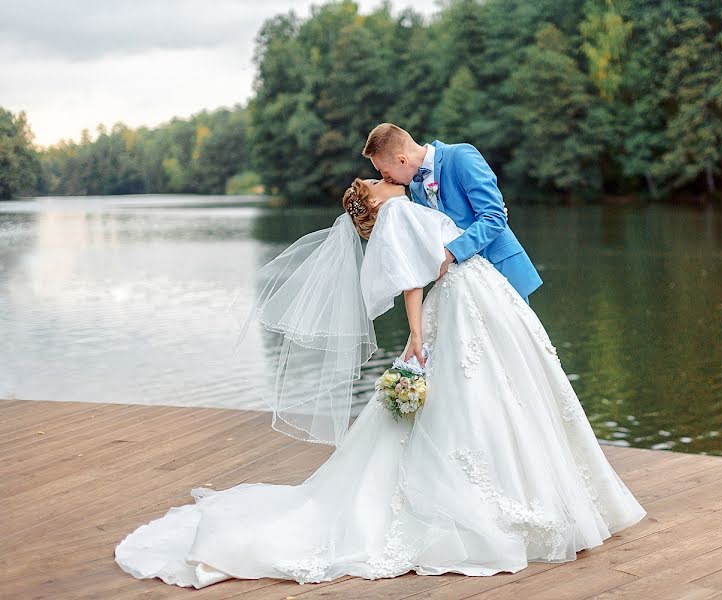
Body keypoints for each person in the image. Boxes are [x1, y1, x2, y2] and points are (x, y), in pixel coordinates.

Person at [113, 178, 646, 589]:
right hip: (455, 307)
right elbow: (412, 277)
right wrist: (417, 334)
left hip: (477, 299)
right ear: (370, 198)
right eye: (371, 180)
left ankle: (526, 490)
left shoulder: (407, 206)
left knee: (493, 396)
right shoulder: (394, 217)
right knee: (471, 399)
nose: (379, 179)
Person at [363, 122, 543, 304]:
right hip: (461, 285)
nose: (386, 180)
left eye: (385, 173)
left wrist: (449, 254)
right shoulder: (415, 187)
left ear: (402, 160)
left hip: (500, 270)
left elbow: (494, 217)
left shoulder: (461, 156)